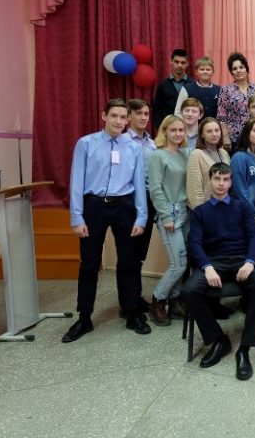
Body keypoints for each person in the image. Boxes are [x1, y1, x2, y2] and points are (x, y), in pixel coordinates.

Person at [62, 99, 150, 342]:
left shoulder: (133, 147)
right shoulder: (86, 144)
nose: (119, 122)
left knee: (129, 261)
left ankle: (131, 312)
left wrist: (141, 217)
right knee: (90, 263)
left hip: (124, 206)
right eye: (114, 116)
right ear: (104, 116)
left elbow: (138, 183)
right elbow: (76, 181)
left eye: (123, 117)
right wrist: (77, 217)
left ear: (128, 120)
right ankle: (84, 317)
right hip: (94, 206)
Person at [180, 162, 255, 380]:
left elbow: (254, 237)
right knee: (189, 290)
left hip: (241, 261)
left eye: (226, 179)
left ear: (230, 182)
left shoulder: (242, 207)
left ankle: (244, 349)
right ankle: (219, 340)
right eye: (217, 179)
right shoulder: (200, 212)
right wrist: (207, 267)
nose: (221, 183)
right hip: (214, 263)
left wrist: (250, 262)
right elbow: (195, 244)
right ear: (209, 181)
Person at [147, 115, 191, 325]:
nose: (178, 134)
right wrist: (165, 216)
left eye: (181, 130)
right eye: (173, 130)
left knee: (184, 259)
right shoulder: (158, 155)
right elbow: (155, 189)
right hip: (169, 213)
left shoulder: (185, 153)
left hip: (185, 211)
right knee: (178, 264)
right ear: (164, 131)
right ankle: (157, 300)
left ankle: (175, 302)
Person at [125, 99, 156, 313]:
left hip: (149, 200)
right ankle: (129, 302)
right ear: (129, 117)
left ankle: (135, 297)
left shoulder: (151, 142)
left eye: (146, 113)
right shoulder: (123, 141)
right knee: (130, 254)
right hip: (131, 201)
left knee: (140, 254)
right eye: (139, 113)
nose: (144, 117)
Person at [217, 52, 255, 151]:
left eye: (241, 67)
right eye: (234, 69)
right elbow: (221, 116)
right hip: (234, 138)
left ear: (246, 68)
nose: (238, 71)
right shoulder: (226, 90)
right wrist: (225, 137)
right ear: (231, 72)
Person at [186, 117, 231, 210]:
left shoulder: (224, 153)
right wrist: (202, 213)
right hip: (206, 209)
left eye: (217, 130)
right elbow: (194, 191)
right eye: (209, 131)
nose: (214, 134)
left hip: (224, 207)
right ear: (202, 134)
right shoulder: (196, 154)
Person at [231, 118, 255, 219]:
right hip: (246, 213)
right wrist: (253, 213)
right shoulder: (239, 157)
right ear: (247, 133)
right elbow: (240, 190)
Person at [153, 48, 189, 131]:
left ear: (187, 64)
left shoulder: (192, 84)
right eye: (176, 62)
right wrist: (159, 127)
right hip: (167, 128)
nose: (179, 65)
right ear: (171, 62)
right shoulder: (163, 85)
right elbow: (157, 109)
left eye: (183, 62)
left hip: (187, 129)